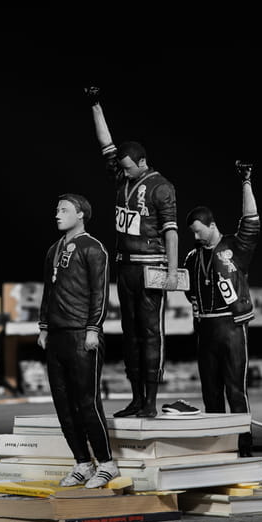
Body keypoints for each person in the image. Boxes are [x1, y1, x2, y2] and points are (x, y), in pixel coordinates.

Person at [84, 86, 180, 419]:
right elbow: (105, 143)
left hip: (150, 267)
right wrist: (96, 104)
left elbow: (171, 229)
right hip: (124, 268)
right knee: (129, 335)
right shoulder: (122, 178)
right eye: (121, 168)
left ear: (142, 162)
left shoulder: (162, 187)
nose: (122, 171)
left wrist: (171, 270)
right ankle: (136, 398)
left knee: (151, 333)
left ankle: (151, 401)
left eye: (127, 167)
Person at [37, 193, 118, 487]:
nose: (57, 214)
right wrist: (44, 327)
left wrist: (94, 328)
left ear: (81, 214)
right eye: (56, 209)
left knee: (87, 401)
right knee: (63, 403)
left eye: (64, 210)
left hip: (82, 334)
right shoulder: (52, 250)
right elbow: (48, 291)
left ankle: (107, 463)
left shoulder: (94, 248)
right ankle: (83, 462)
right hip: (57, 335)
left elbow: (101, 292)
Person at [183, 160, 261, 456]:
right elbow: (189, 289)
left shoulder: (234, 247)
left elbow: (251, 221)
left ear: (212, 225)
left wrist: (246, 183)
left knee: (235, 390)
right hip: (206, 330)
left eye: (200, 230)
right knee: (210, 393)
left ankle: (244, 447)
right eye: (192, 232)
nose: (196, 236)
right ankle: (218, 449)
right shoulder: (191, 257)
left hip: (231, 325)